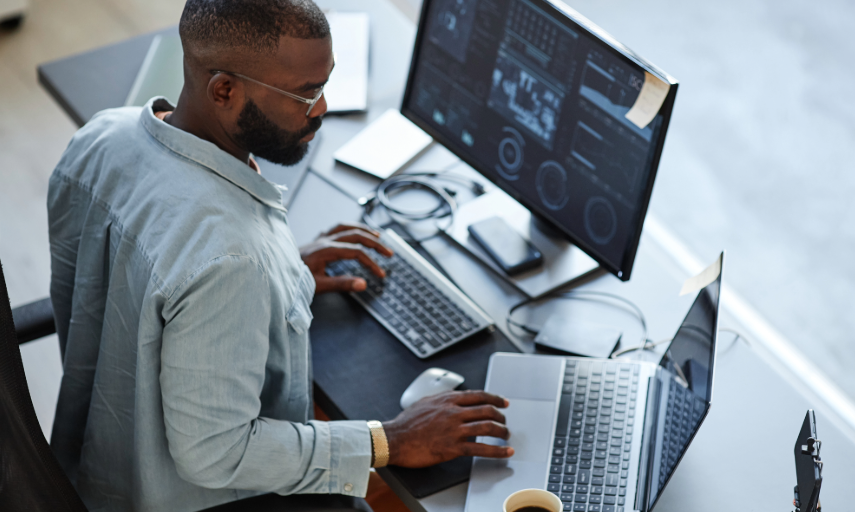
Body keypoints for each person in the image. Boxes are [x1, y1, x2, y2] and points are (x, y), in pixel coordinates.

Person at [46, 1, 513, 511]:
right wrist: (390, 441)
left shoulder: (101, 137)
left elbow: (141, 277)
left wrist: (282, 274)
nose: (322, 108)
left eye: (326, 82)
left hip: (91, 462)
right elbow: (215, 453)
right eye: (305, 93)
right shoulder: (231, 259)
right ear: (224, 90)